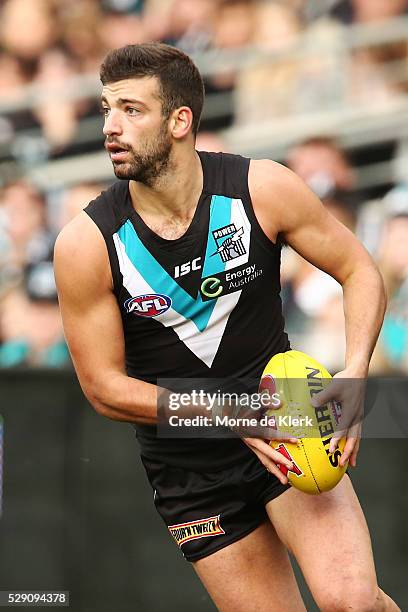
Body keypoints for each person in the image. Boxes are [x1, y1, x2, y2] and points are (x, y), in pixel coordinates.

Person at [54, 43, 399, 611]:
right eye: (106, 109)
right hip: (190, 469)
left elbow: (360, 269)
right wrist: (235, 414)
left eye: (132, 110)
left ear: (180, 120)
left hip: (288, 421)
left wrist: (355, 373)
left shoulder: (260, 188)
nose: (111, 127)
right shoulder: (86, 243)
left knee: (353, 603)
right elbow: (104, 389)